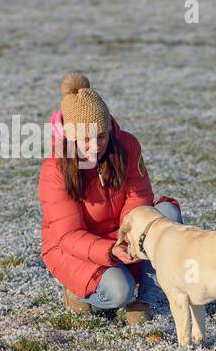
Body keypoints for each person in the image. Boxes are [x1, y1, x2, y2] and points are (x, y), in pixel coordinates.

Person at [37, 72, 181, 323]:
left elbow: (140, 197)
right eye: (85, 140)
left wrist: (128, 237)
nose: (95, 146)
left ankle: (145, 300)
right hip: (74, 248)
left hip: (119, 235)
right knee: (118, 291)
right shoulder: (55, 169)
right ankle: (79, 292)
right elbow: (68, 235)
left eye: (100, 136)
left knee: (167, 215)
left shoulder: (127, 146)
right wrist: (110, 249)